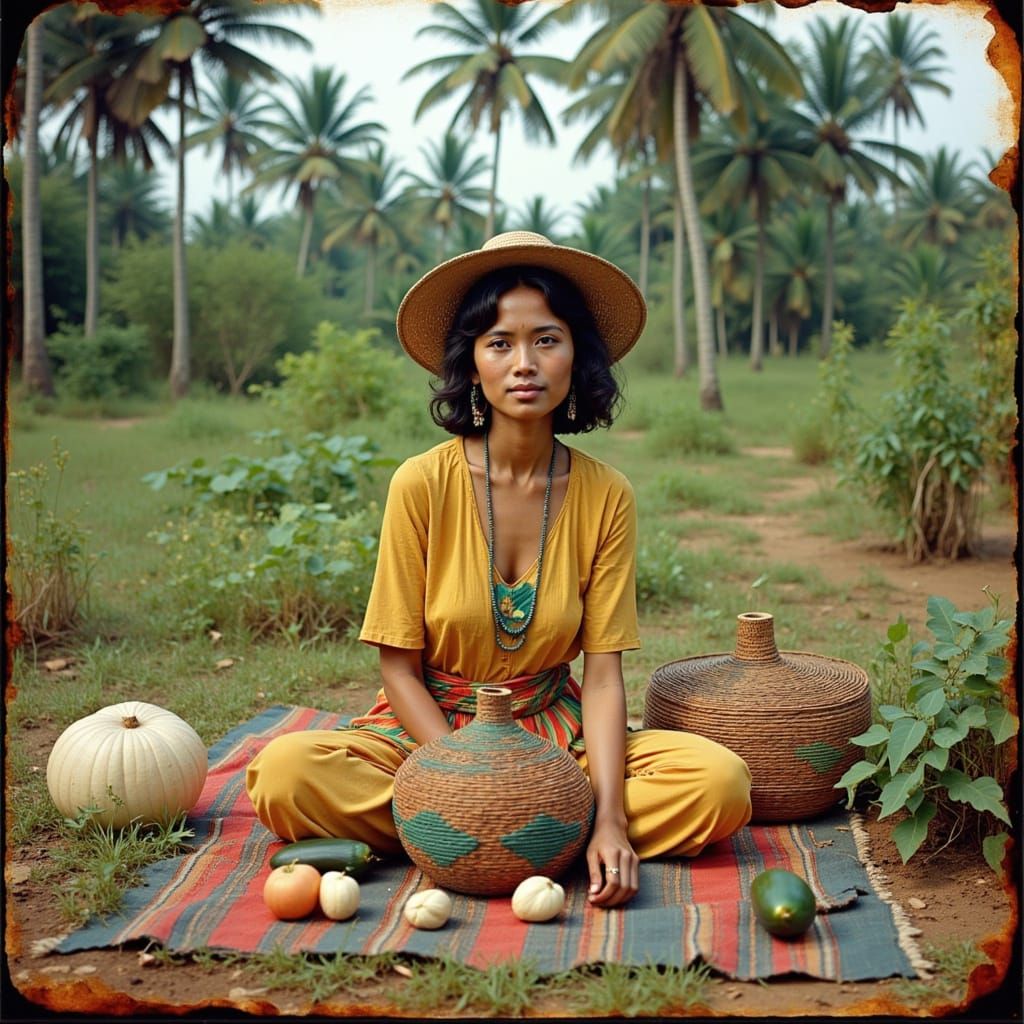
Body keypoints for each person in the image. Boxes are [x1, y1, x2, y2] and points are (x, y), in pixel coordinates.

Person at [246, 231, 752, 908]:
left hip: (553, 733)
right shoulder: (420, 484)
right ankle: (531, 834)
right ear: (472, 363)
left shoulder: (607, 495)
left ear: (578, 356)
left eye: (546, 339)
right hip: (429, 733)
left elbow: (602, 678)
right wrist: (463, 774)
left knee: (717, 785)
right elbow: (397, 667)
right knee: (286, 776)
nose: (525, 362)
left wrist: (609, 818)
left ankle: (498, 832)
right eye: (499, 343)